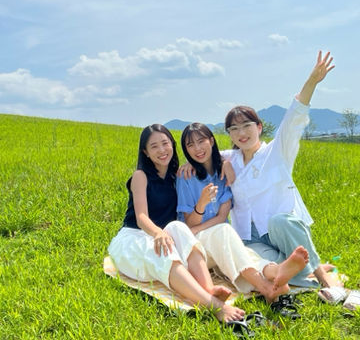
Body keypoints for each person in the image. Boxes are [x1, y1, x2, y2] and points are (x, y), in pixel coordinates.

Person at [222, 51, 342, 289]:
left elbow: (294, 119)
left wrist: (311, 82)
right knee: (256, 262)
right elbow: (202, 156)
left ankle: (320, 274)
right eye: (234, 129)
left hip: (281, 231)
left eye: (246, 126)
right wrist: (212, 164)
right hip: (250, 236)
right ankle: (301, 271)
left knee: (280, 221)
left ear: (259, 127)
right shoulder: (229, 157)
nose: (241, 133)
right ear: (229, 134)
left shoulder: (277, 151)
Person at [108, 124, 246, 324]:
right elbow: (141, 217)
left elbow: (208, 158)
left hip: (164, 234)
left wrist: (223, 162)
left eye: (165, 144)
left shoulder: (180, 175)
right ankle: (214, 305)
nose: (162, 150)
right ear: (145, 152)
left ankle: (208, 289)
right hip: (136, 238)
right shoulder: (141, 176)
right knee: (164, 251)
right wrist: (157, 233)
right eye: (154, 146)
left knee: (178, 227)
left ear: (172, 145)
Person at [177, 122, 309, 301]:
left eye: (201, 142)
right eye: (190, 145)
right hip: (196, 247)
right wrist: (201, 204)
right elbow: (191, 224)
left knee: (242, 251)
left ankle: (273, 274)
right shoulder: (186, 176)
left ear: (212, 141)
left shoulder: (223, 174)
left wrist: (224, 163)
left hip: (221, 241)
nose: (197, 149)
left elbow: (223, 216)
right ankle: (269, 279)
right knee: (227, 235)